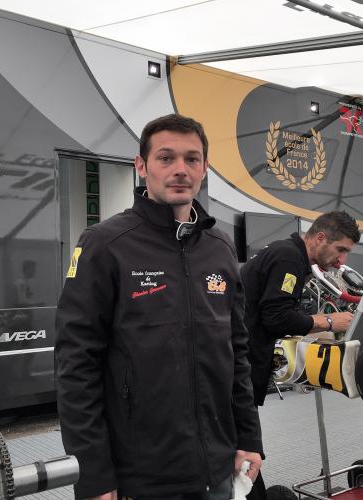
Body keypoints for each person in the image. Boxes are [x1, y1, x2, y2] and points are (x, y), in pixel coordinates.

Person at [55, 114, 263, 500]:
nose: (180, 169)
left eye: (192, 159)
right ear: (141, 166)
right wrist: (93, 473)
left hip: (217, 469)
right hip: (139, 477)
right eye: (166, 158)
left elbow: (236, 352)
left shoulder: (220, 248)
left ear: (204, 168)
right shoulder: (106, 244)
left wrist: (249, 438)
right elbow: (76, 365)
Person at [240, 211, 361, 407]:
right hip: (240, 368)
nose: (342, 260)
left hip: (240, 363)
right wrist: (329, 321)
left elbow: (273, 312)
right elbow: (277, 318)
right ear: (320, 238)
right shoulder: (289, 258)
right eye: (340, 249)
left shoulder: (287, 253)